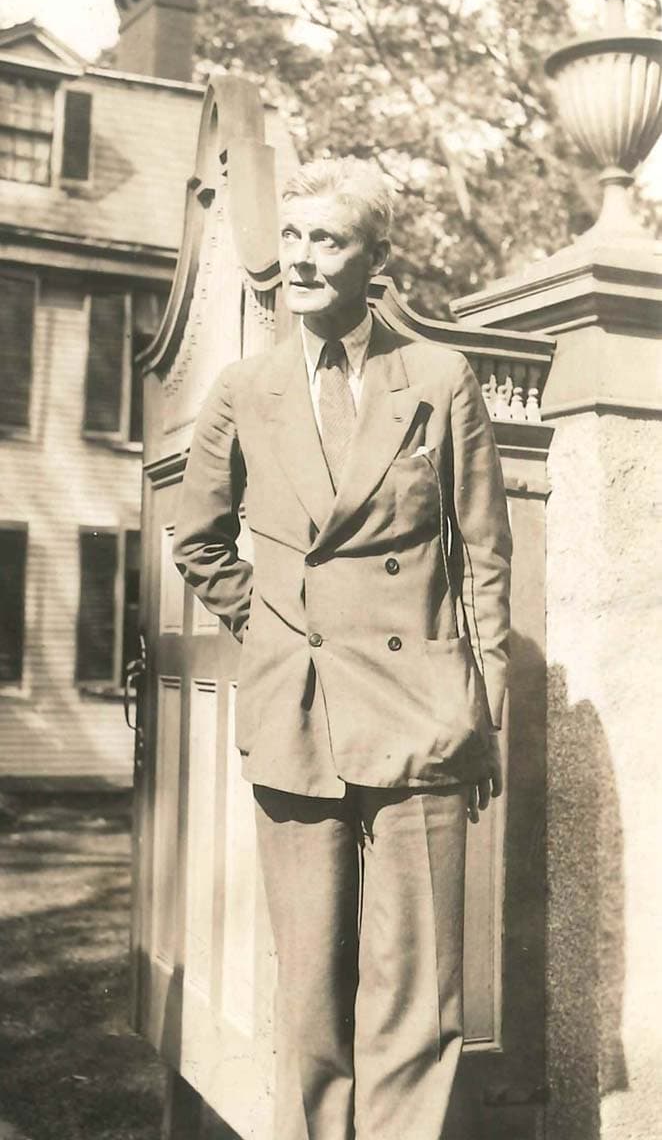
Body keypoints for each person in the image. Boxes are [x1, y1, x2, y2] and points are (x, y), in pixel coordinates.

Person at [172, 156, 512, 1140]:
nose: (304, 260)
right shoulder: (244, 387)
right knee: (310, 992)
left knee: (415, 994)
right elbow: (198, 539)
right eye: (292, 239)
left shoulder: (439, 380)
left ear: (375, 259)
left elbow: (482, 557)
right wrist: (275, 631)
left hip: (418, 718)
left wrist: (479, 711)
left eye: (328, 241)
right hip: (296, 712)